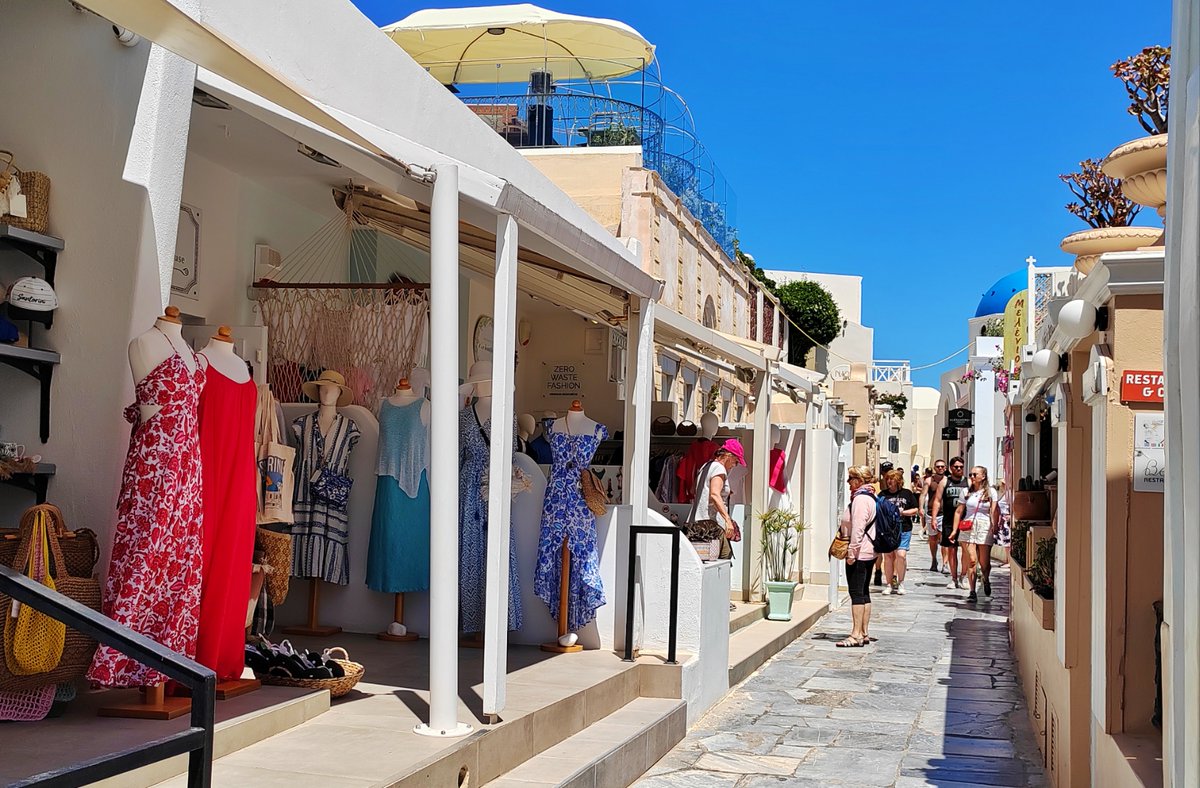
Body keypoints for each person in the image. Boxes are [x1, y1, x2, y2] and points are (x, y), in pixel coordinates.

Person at [837, 465, 877, 647]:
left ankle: (855, 635)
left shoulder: (860, 499)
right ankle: (864, 632)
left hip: (860, 553)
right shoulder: (871, 496)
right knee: (864, 592)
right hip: (869, 552)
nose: (848, 483)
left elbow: (858, 529)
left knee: (856, 593)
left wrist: (852, 553)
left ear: (859, 481)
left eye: (850, 478)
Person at [694, 438, 746, 561]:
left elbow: (696, 490)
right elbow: (714, 494)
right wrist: (727, 520)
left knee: (709, 561)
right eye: (736, 461)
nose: (735, 465)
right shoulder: (719, 468)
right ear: (728, 455)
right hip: (711, 525)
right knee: (722, 559)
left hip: (700, 523)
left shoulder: (706, 466)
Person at [954, 466, 1000, 602]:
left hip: (984, 526)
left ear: (983, 476)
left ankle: (985, 579)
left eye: (975, 474)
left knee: (984, 563)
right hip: (968, 526)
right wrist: (954, 530)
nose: (972, 477)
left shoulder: (991, 492)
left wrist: (994, 525)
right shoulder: (966, 492)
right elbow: (959, 511)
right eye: (971, 474)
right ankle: (972, 590)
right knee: (972, 560)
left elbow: (994, 510)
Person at [930, 457, 969, 590]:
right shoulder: (945, 482)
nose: (959, 469)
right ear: (951, 468)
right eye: (956, 467)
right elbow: (937, 500)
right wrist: (934, 518)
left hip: (965, 521)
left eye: (961, 467)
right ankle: (953, 578)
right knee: (952, 551)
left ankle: (963, 576)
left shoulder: (968, 482)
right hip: (948, 521)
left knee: (966, 550)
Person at [879, 469, 919, 595]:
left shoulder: (906, 494)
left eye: (892, 479)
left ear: (898, 481)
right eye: (888, 479)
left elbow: (915, 509)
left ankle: (901, 582)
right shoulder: (882, 495)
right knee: (889, 556)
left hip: (904, 528)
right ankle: (889, 584)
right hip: (887, 530)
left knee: (901, 555)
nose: (889, 482)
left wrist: (902, 512)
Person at [919, 460, 947, 572]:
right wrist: (921, 507)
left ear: (945, 468)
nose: (940, 468)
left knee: (944, 539)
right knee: (933, 539)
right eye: (938, 466)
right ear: (935, 468)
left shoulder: (948, 480)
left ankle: (945, 563)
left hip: (945, 513)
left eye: (942, 466)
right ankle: (934, 559)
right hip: (931, 513)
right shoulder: (929, 480)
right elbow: (923, 494)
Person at [993, 480, 1012, 565]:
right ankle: (1007, 560)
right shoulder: (1003, 494)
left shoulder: (1009, 495)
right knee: (1005, 542)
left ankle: (1009, 562)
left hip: (1006, 519)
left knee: (1008, 542)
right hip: (1003, 519)